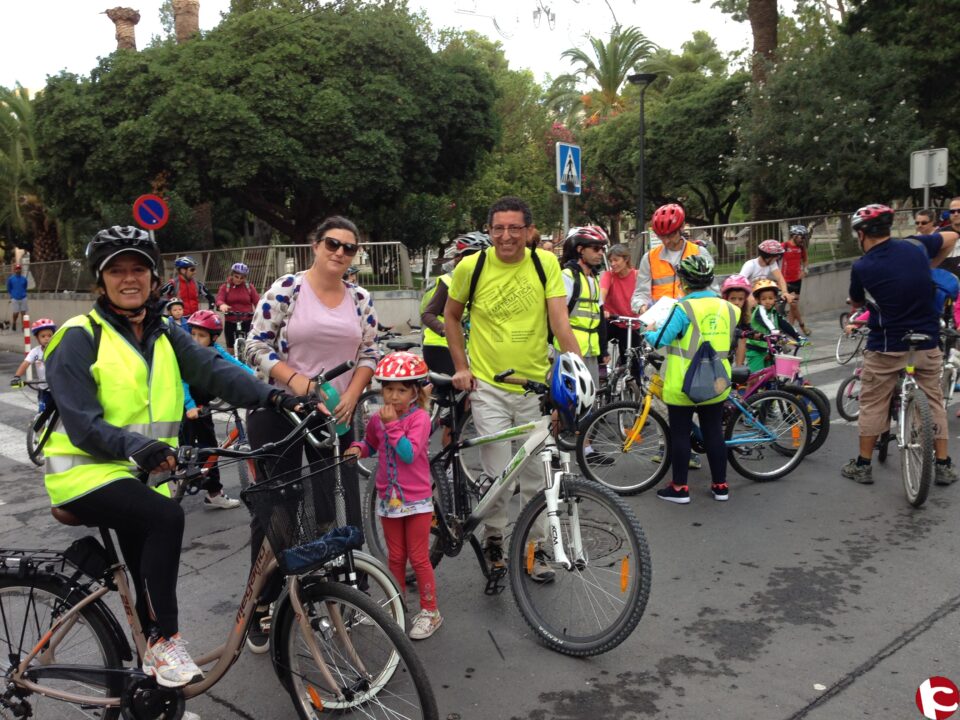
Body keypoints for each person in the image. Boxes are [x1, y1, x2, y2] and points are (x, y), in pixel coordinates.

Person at [42, 226, 298, 688]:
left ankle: (153, 685)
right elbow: (81, 421)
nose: (128, 278)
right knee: (165, 519)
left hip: (137, 475)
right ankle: (165, 640)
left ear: (153, 277)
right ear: (100, 283)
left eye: (137, 268)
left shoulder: (163, 334)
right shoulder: (79, 337)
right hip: (84, 475)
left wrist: (276, 398)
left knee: (148, 572)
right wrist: (134, 446)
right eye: (115, 271)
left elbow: (215, 371)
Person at [244, 215, 378, 652]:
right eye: (332, 244)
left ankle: (330, 589)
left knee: (331, 507)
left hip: (333, 415)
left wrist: (352, 396)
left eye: (349, 248)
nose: (340, 253)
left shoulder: (359, 297)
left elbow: (370, 352)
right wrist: (301, 385)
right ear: (314, 245)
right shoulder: (288, 289)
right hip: (279, 409)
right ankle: (261, 603)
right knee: (278, 510)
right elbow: (255, 346)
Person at [444, 196, 581, 579]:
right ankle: (494, 539)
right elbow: (451, 316)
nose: (506, 236)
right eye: (498, 228)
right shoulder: (472, 267)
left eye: (514, 228)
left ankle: (534, 550)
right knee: (500, 475)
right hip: (488, 387)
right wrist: (461, 367)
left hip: (534, 388)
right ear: (489, 231)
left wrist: (576, 371)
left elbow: (559, 323)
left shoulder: (546, 264)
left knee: (538, 476)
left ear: (529, 231)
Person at [841, 204, 960, 485]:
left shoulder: (862, 266)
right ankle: (943, 465)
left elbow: (857, 301)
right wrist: (930, 267)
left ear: (861, 233)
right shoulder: (916, 246)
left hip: (887, 344)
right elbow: (953, 237)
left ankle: (863, 464)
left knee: (872, 403)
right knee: (934, 401)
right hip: (927, 340)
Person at [345, 352, 441, 640]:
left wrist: (392, 426)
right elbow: (371, 444)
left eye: (401, 390)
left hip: (417, 502)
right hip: (389, 501)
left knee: (419, 558)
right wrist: (358, 449)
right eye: (388, 389)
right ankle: (395, 605)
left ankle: (430, 611)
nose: (394, 396)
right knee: (395, 557)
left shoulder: (419, 419)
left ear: (415, 392)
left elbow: (409, 454)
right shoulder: (378, 419)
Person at [644, 256, 737, 504]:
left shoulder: (681, 309)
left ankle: (680, 488)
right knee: (715, 432)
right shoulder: (728, 308)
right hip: (717, 380)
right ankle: (721, 487)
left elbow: (658, 339)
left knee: (681, 434)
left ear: (683, 282)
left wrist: (648, 327)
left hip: (683, 382)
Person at [180, 310, 251, 510]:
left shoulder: (216, 350)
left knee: (209, 448)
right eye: (192, 334)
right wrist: (190, 407)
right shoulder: (189, 355)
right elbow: (183, 383)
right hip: (188, 409)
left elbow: (235, 364)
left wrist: (256, 377)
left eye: (201, 336)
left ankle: (214, 493)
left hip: (204, 408)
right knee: (185, 450)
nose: (195, 339)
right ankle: (180, 481)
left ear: (212, 337)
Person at [420, 232, 490, 376]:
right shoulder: (449, 281)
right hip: (440, 346)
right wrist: (447, 330)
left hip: (463, 348)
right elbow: (427, 315)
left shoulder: (478, 283)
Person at [631, 203, 712, 316]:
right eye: (661, 236)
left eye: (671, 235)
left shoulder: (699, 253)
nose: (666, 241)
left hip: (692, 318)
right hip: (661, 322)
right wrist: (642, 307)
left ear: (682, 227)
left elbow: (712, 290)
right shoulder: (649, 258)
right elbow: (640, 293)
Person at [558, 226, 609, 386]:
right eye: (595, 248)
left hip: (590, 352)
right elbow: (557, 316)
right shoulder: (567, 277)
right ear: (580, 250)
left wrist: (603, 350)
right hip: (568, 352)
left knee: (590, 402)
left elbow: (599, 316)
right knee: (569, 404)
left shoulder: (594, 279)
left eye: (602, 248)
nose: (600, 252)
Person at [745, 279, 802, 372]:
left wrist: (798, 337)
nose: (767, 301)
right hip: (756, 350)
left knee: (772, 376)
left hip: (769, 348)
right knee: (756, 377)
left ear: (775, 298)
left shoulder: (773, 312)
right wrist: (776, 332)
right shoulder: (760, 311)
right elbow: (767, 322)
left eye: (770, 298)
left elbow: (785, 324)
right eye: (764, 299)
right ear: (758, 300)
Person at [601, 244, 639, 365]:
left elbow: (645, 296)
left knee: (632, 362)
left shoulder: (637, 276)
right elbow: (602, 292)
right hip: (612, 320)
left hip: (631, 323)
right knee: (596, 340)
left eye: (616, 260)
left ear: (626, 259)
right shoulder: (608, 275)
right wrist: (601, 308)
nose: (612, 264)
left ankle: (633, 382)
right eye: (610, 261)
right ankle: (601, 369)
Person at [10, 317, 56, 410]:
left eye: (49, 335)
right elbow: (26, 363)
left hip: (58, 388)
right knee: (42, 412)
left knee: (65, 414)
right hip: (44, 389)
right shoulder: (35, 352)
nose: (47, 338)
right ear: (37, 338)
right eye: (43, 336)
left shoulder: (57, 350)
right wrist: (17, 377)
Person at [216, 262, 260, 354]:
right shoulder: (225, 287)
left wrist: (260, 311)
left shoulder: (249, 287)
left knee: (250, 346)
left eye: (242, 278)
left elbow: (258, 302)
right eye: (236, 276)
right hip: (231, 320)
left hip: (247, 320)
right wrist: (222, 305)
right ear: (232, 275)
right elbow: (220, 299)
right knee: (230, 348)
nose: (239, 280)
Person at [738, 240, 795, 306]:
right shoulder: (750, 265)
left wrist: (785, 292)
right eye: (776, 256)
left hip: (760, 296)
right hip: (748, 295)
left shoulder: (772, 263)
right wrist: (749, 296)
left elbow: (779, 278)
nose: (776, 259)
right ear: (767, 256)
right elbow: (740, 283)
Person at [782, 226, 811, 334]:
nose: (803, 239)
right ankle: (802, 326)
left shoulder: (801, 248)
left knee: (793, 307)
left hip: (797, 280)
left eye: (804, 237)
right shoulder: (784, 246)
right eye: (801, 237)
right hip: (786, 280)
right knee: (793, 305)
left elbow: (805, 260)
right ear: (794, 236)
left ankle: (790, 328)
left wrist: (805, 270)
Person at [719, 275, 752, 366]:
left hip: (729, 357)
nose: (737, 302)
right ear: (726, 299)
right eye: (733, 299)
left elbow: (749, 331)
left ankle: (738, 368)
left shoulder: (743, 316)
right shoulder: (720, 315)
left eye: (740, 299)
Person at [7, 263, 27, 332]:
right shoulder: (11, 279)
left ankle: (23, 326)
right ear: (14, 270)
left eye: (19, 269)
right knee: (16, 313)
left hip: (23, 297)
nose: (18, 270)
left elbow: (25, 287)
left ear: (21, 270)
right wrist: (12, 295)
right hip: (15, 298)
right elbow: (9, 288)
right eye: (17, 269)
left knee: (23, 313)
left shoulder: (24, 279)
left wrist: (23, 293)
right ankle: (14, 322)